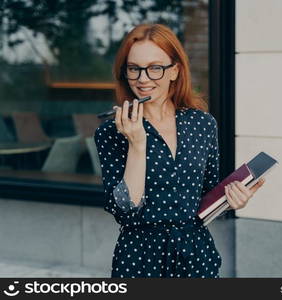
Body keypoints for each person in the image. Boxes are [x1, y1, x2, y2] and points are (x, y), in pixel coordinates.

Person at [94, 23, 266, 278]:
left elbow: (207, 196)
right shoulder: (111, 132)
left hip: (196, 254)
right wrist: (137, 144)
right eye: (134, 69)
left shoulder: (203, 124)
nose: (143, 79)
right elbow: (125, 211)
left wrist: (231, 201)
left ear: (174, 70)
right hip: (139, 258)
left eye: (155, 68)